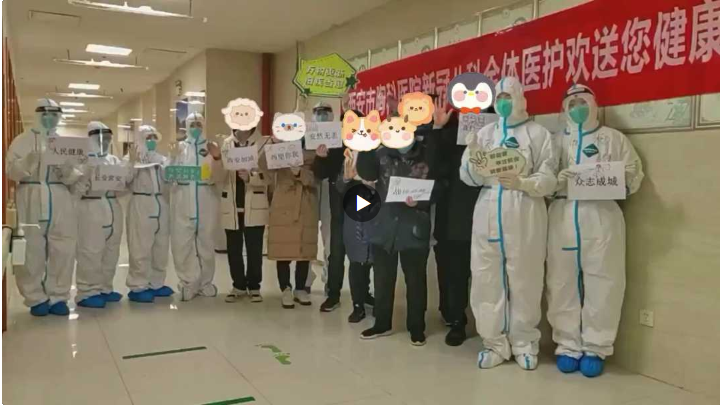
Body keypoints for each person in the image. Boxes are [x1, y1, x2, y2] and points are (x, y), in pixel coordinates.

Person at [459, 76, 558, 370]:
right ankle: (494, 344)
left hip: (524, 210)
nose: (503, 103)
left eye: (508, 97)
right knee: (486, 279)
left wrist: (524, 183)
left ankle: (524, 343)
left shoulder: (538, 134)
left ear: (520, 99)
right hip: (488, 209)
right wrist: (473, 157)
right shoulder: (485, 133)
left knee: (525, 279)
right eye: (499, 98)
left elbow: (550, 178)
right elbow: (469, 177)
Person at [546, 84, 644, 378]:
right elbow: (541, 178)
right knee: (561, 281)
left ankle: (596, 347)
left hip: (602, 216)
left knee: (604, 281)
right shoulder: (554, 142)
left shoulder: (613, 139)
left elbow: (634, 174)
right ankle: (567, 345)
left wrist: (618, 178)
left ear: (594, 105)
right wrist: (555, 181)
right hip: (562, 214)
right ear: (564, 108)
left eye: (583, 102)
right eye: (572, 103)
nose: (577, 108)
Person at [356, 118, 434, 346]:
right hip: (384, 224)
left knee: (416, 280)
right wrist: (367, 145)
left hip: (414, 225)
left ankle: (417, 327)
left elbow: (440, 186)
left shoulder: (427, 154)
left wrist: (421, 202)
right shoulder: (381, 153)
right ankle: (382, 323)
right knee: (382, 278)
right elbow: (366, 173)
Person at [5, 98, 82, 316]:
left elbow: (74, 176)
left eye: (54, 114)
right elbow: (10, 172)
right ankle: (35, 298)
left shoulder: (65, 144)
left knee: (63, 247)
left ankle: (59, 296)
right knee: (31, 248)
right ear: (38, 115)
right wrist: (28, 161)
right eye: (45, 114)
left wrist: (67, 170)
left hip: (59, 196)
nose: (50, 119)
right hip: (30, 195)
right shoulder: (21, 141)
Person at [427, 107, 480, 346]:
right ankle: (457, 319)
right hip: (454, 213)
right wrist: (438, 128)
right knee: (455, 272)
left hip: (488, 210)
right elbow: (432, 167)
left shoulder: (494, 127)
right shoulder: (449, 130)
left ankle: (492, 323)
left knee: (486, 274)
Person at [210, 122, 271, 304]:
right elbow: (217, 177)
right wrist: (217, 159)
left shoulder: (264, 143)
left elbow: (269, 176)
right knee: (233, 250)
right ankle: (238, 285)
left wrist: (251, 177)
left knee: (254, 249)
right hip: (232, 204)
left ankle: (254, 286)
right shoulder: (226, 144)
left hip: (255, 203)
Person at [75, 122, 127, 308]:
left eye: (107, 138)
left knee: (111, 250)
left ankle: (105, 287)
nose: (104, 142)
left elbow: (123, 184)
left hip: (112, 205)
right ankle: (87, 291)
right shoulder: (81, 160)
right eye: (100, 138)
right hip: (90, 206)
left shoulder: (113, 160)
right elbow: (76, 186)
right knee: (90, 250)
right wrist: (88, 168)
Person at [169, 112, 221, 301]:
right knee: (182, 243)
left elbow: (219, 176)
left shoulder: (212, 148)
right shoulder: (179, 148)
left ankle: (205, 283)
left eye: (199, 124)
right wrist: (172, 158)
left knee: (206, 243)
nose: (196, 128)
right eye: (192, 125)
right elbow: (168, 175)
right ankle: (189, 283)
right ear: (187, 127)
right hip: (183, 199)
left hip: (206, 198)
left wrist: (217, 158)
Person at [264, 130, 319, 309]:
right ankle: (285, 288)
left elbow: (318, 178)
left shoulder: (314, 149)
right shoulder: (279, 148)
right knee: (283, 247)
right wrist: (271, 145)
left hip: (306, 202)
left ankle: (300, 288)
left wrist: (299, 173)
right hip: (283, 202)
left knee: (304, 247)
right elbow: (264, 168)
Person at [124, 125, 173, 303]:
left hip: (161, 202)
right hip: (141, 202)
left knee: (160, 246)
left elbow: (170, 178)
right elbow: (124, 181)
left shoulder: (161, 159)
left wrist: (173, 160)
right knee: (140, 246)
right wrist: (131, 163)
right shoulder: (131, 159)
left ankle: (156, 283)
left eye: (154, 137)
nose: (151, 141)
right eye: (147, 137)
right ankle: (138, 286)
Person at [336, 149, 376, 323]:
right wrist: (346, 178)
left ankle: (378, 303)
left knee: (379, 262)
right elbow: (339, 186)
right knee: (356, 262)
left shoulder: (384, 153)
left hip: (379, 216)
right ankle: (357, 305)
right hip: (355, 218)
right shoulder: (350, 155)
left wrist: (374, 188)